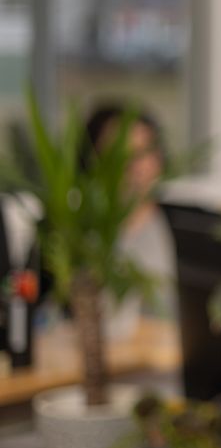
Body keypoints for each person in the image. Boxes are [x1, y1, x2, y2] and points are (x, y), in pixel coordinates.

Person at [82, 102, 177, 334]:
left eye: (144, 152)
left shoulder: (186, 229)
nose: (134, 166)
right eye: (118, 155)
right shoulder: (73, 235)